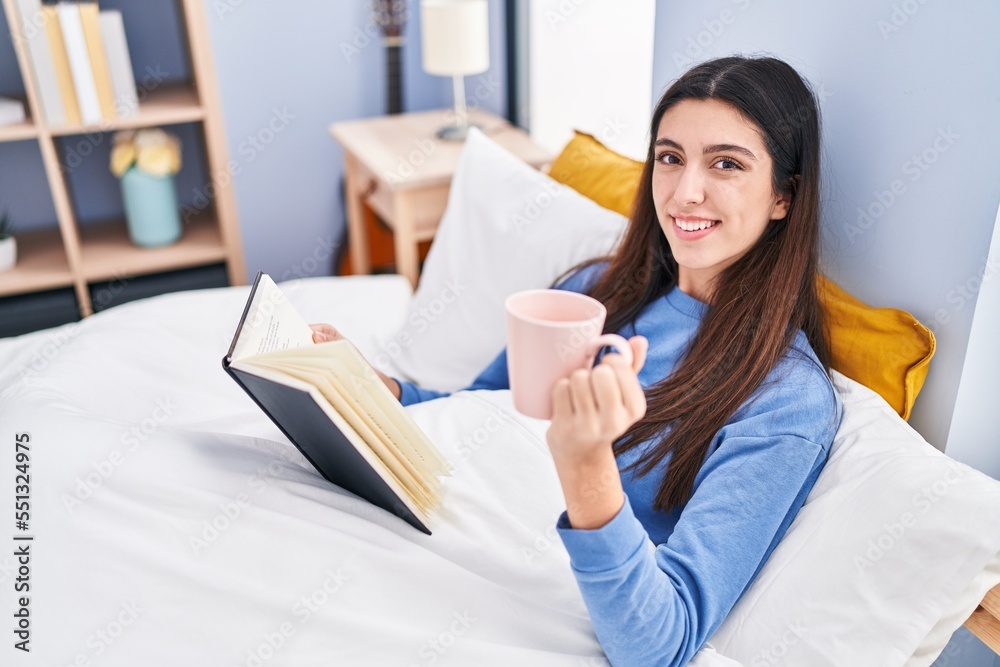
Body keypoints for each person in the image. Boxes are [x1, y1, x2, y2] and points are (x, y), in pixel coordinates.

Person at [311, 55, 843, 666]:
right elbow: (484, 413)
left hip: (525, 604)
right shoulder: (595, 292)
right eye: (670, 158)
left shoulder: (786, 401)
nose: (685, 191)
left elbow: (660, 645)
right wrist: (380, 391)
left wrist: (585, 462)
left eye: (726, 163)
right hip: (432, 535)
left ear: (784, 196)